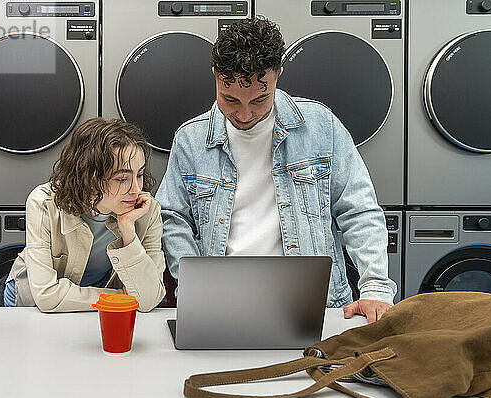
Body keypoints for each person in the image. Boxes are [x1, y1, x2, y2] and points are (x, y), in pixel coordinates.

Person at [155, 17, 396, 323]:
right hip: (222, 306)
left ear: (278, 74)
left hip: (317, 306)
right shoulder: (191, 139)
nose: (244, 113)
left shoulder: (320, 126)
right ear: (216, 75)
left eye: (259, 99)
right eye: (230, 99)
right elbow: (171, 217)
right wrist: (196, 284)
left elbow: (359, 210)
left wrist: (375, 287)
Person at [4, 118, 165, 312]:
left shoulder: (148, 211)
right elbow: (47, 297)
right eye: (122, 178)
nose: (137, 189)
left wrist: (128, 230)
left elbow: (149, 300)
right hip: (30, 304)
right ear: (89, 177)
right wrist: (125, 298)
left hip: (93, 304)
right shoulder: (44, 203)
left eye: (139, 175)